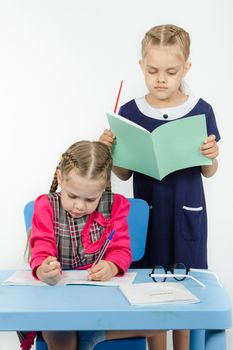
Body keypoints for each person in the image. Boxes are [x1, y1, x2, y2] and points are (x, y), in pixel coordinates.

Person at [99, 24, 220, 350]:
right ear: (141, 66)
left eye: (171, 71)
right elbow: (123, 174)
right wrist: (111, 152)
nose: (161, 79)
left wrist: (211, 154)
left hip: (185, 215)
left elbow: (209, 171)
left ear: (186, 68)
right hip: (149, 215)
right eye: (153, 71)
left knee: (185, 292)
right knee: (151, 291)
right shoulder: (129, 112)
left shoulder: (200, 110)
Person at [18, 140, 162, 350]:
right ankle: (89, 334)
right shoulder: (46, 206)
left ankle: (93, 334)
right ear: (60, 178)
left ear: (102, 189)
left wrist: (112, 266)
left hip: (101, 299)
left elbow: (121, 250)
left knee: (161, 322)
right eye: (72, 195)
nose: (79, 205)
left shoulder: (115, 206)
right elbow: (41, 247)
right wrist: (43, 269)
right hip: (57, 301)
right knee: (61, 336)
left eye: (90, 199)